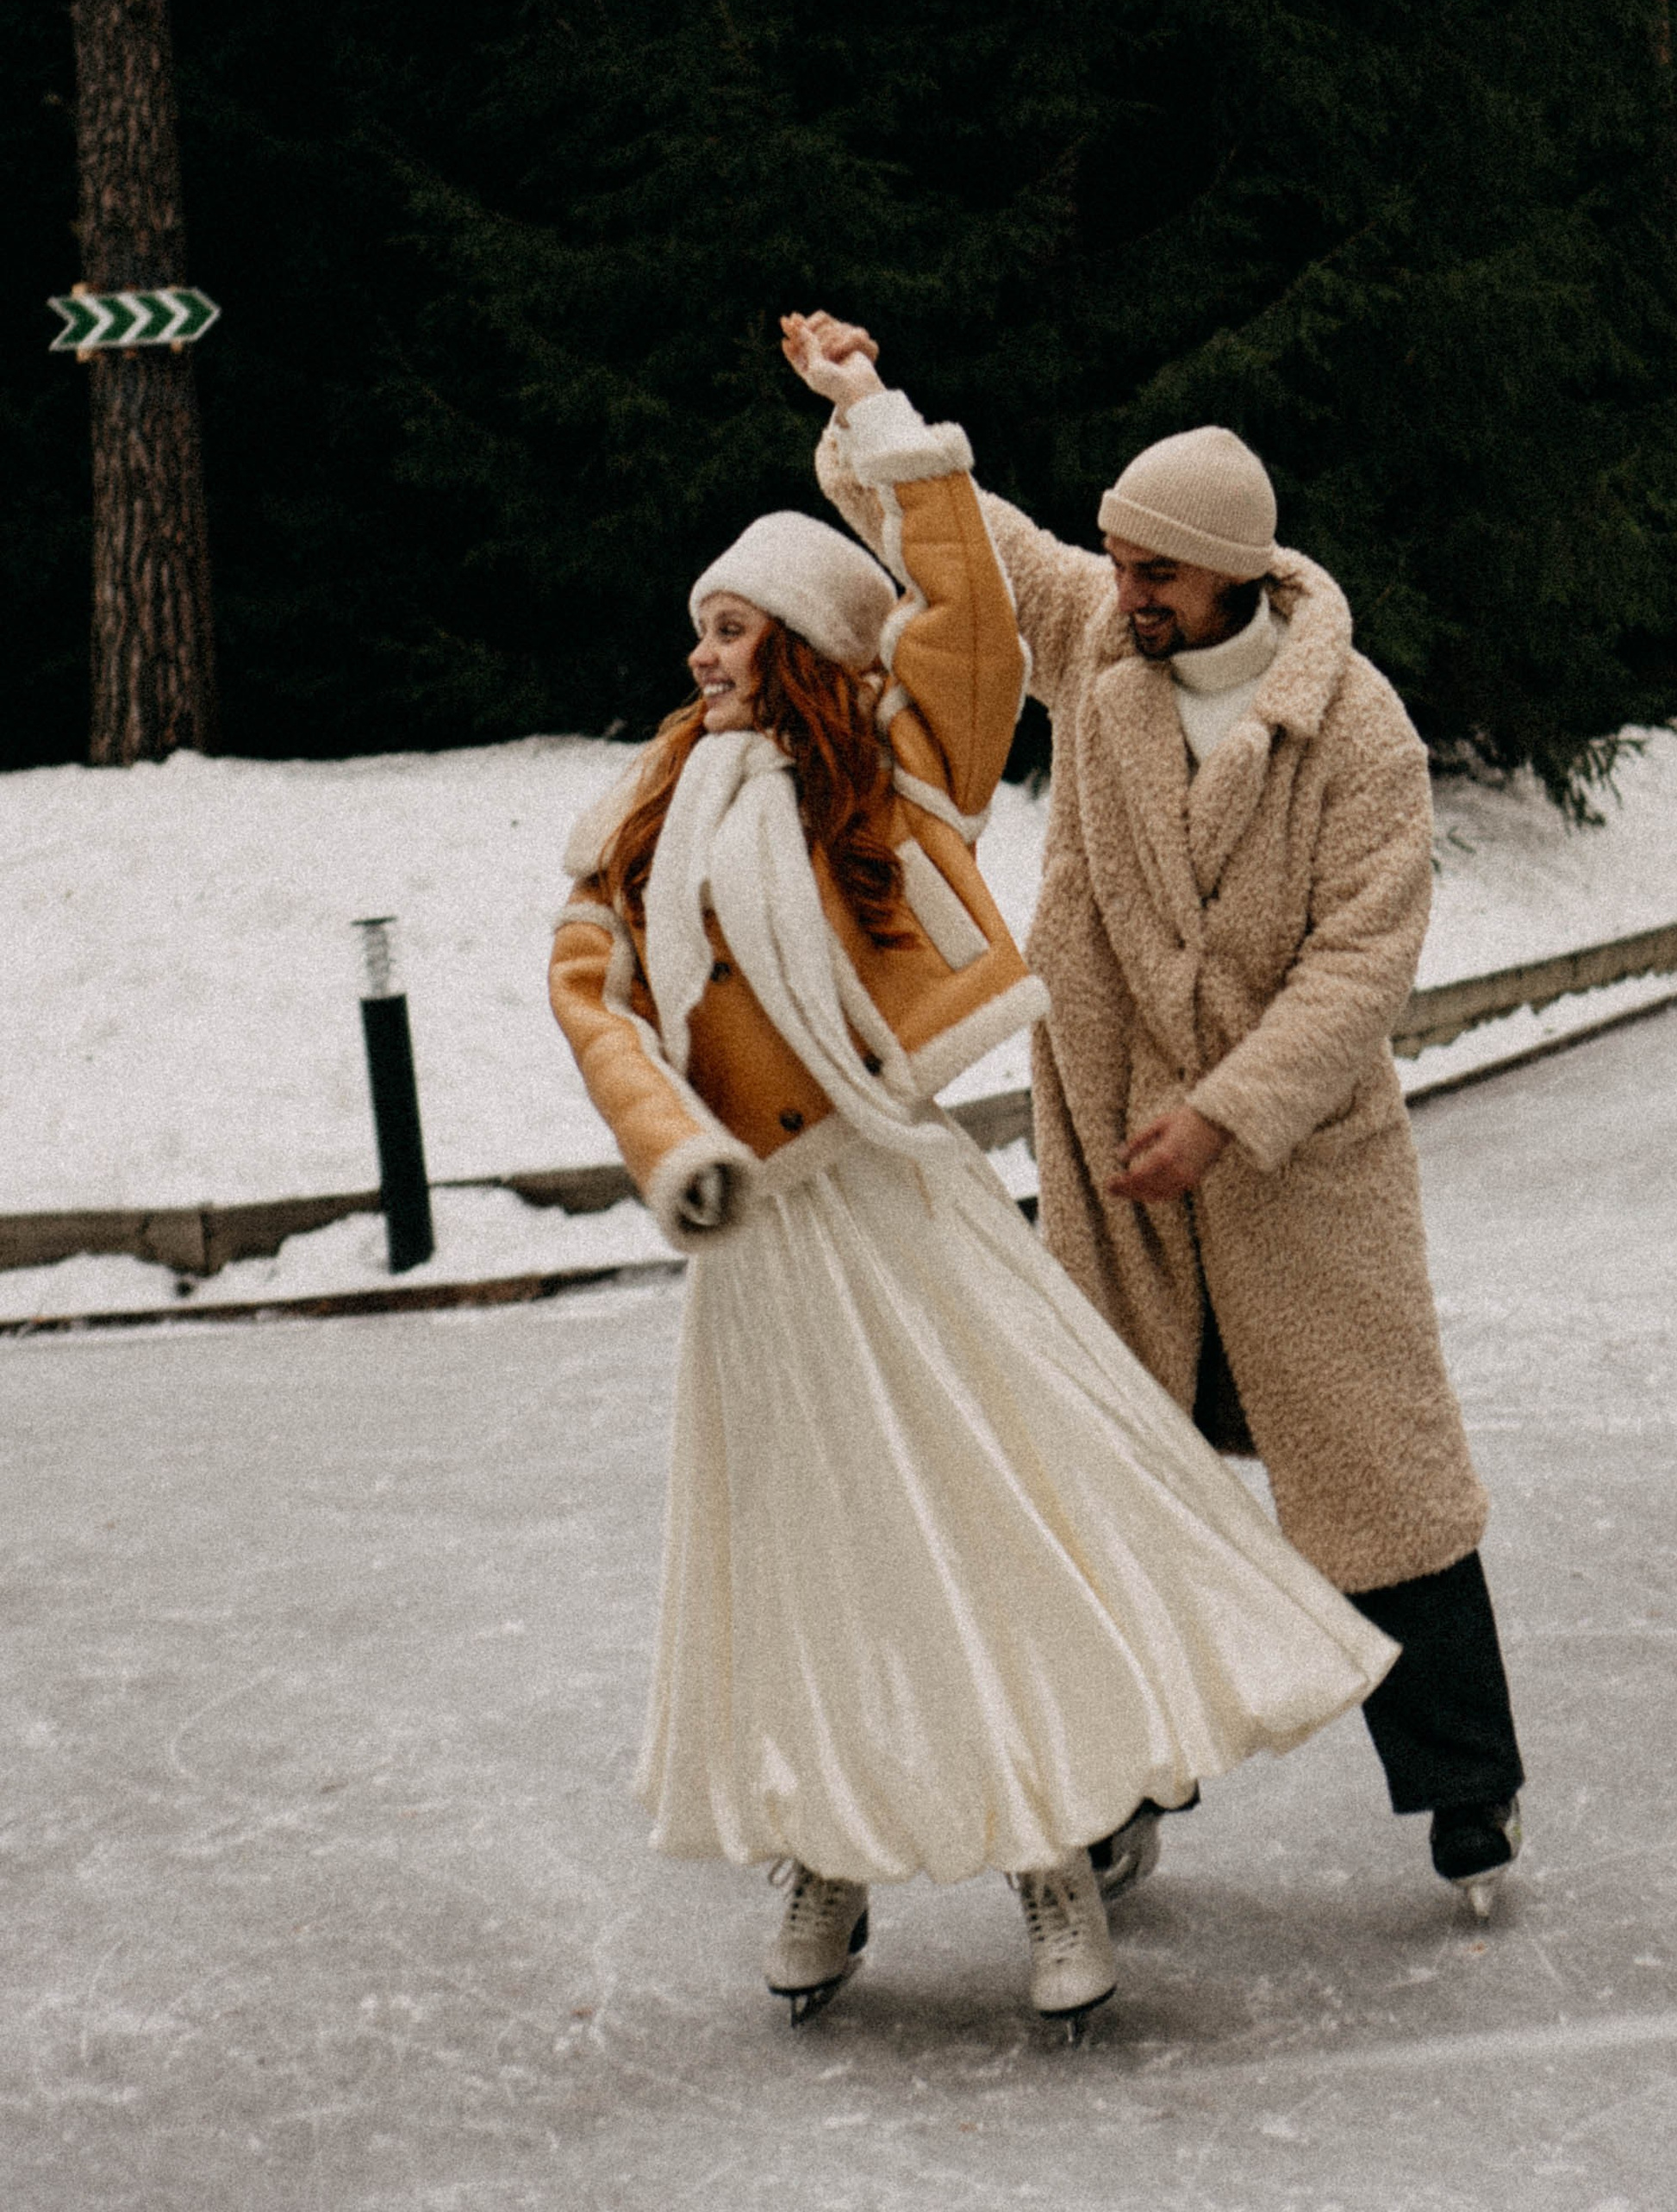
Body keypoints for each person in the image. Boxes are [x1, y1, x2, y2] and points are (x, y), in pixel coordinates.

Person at [546, 320, 1394, 2037]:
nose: (700, 647)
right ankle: (827, 1855)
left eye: (733, 624)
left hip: (901, 1204)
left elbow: (967, 608)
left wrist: (870, 411)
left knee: (987, 1528)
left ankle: (1049, 1858)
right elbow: (593, 989)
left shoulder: (894, 772)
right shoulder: (652, 805)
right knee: (807, 1559)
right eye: (701, 621)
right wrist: (673, 1147)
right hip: (759, 1249)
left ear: (803, 644)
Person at [808, 319, 1525, 1910]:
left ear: (1235, 578)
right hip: (1115, 1153)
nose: (1124, 590)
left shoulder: (1358, 731)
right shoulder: (1097, 643)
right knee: (1113, 1485)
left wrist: (1228, 1110)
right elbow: (966, 537)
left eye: (1156, 573)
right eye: (1119, 561)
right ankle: (1120, 1789)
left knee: (1379, 1476)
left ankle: (1469, 1790)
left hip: (1300, 1170)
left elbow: (1363, 964)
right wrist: (867, 403)